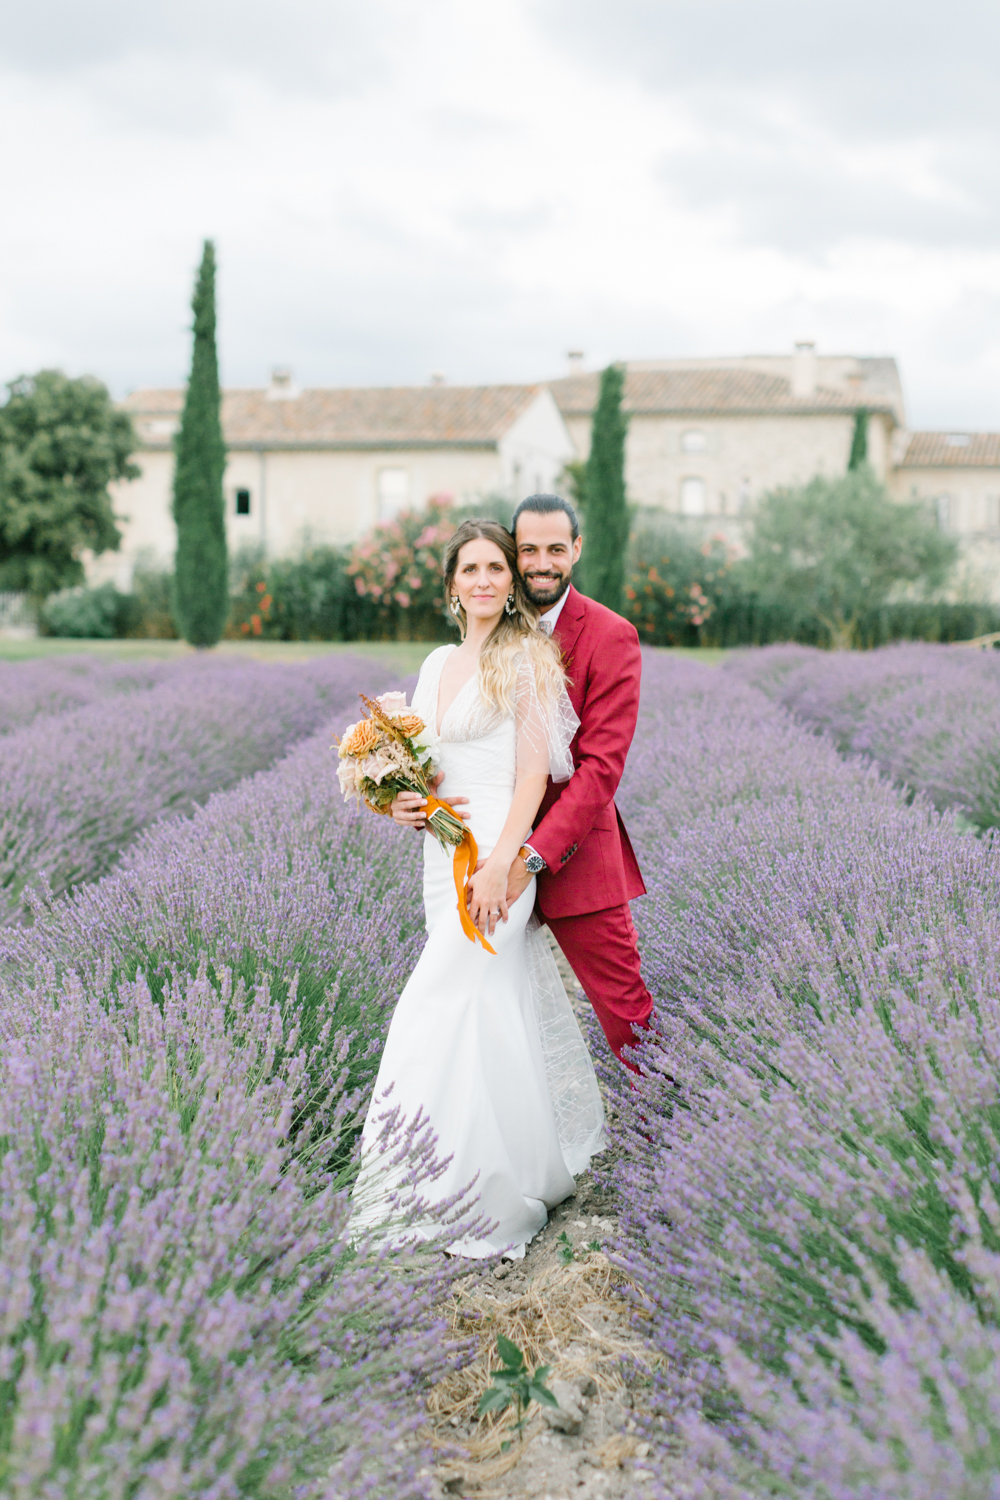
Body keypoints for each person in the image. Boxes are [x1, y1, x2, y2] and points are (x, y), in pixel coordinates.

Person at [352, 519, 604, 1259]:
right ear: (452, 583)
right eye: (472, 569)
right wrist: (401, 803)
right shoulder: (435, 664)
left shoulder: (525, 657)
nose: (488, 579)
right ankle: (492, 1167)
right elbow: (425, 762)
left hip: (497, 853)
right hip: (441, 856)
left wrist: (504, 863)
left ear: (510, 581)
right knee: (483, 1006)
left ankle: (460, 1191)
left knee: (436, 999)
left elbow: (534, 775)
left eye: (499, 567)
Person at [393, 494, 652, 1070]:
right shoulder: (465, 647)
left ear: (576, 551)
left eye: (555, 550)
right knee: (480, 1005)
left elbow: (599, 769)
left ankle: (671, 1130)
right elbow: (442, 759)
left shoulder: (610, 635)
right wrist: (409, 802)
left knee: (626, 1017)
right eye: (527, 550)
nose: (541, 563)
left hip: (572, 858)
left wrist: (525, 858)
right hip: (470, 851)